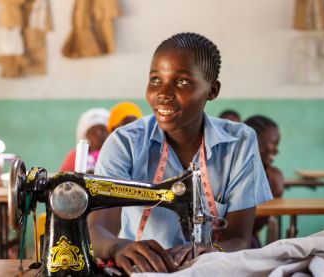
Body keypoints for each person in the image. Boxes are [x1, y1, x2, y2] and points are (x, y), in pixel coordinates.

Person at [88, 32, 272, 275]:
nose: (163, 93)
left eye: (182, 82)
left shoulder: (239, 143)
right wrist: (118, 246)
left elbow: (238, 238)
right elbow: (98, 230)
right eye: (155, 79)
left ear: (212, 90)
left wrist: (212, 250)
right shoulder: (125, 144)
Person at [244, 115, 284, 248]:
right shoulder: (233, 175)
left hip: (248, 241)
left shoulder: (272, 177)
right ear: (253, 140)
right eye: (273, 143)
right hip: (223, 244)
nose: (276, 150)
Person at [59, 108, 109, 173]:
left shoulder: (111, 155)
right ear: (86, 134)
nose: (98, 133)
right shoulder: (75, 156)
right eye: (93, 130)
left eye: (102, 129)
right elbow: (62, 180)